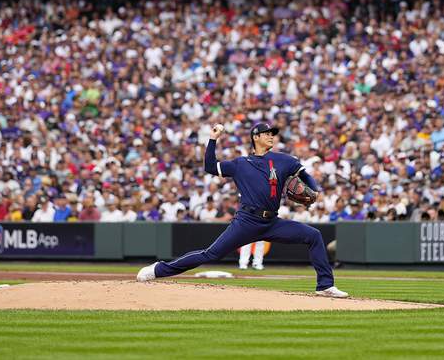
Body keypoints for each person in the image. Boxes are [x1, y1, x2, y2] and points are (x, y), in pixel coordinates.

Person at [138, 122, 348, 298]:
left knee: (313, 235)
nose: (271, 137)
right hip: (246, 222)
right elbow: (210, 167)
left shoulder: (284, 160)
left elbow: (304, 174)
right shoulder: (240, 164)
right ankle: (159, 269)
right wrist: (213, 139)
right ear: (255, 137)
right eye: (267, 134)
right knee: (210, 254)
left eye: (272, 134)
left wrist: (315, 190)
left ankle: (325, 286)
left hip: (272, 222)